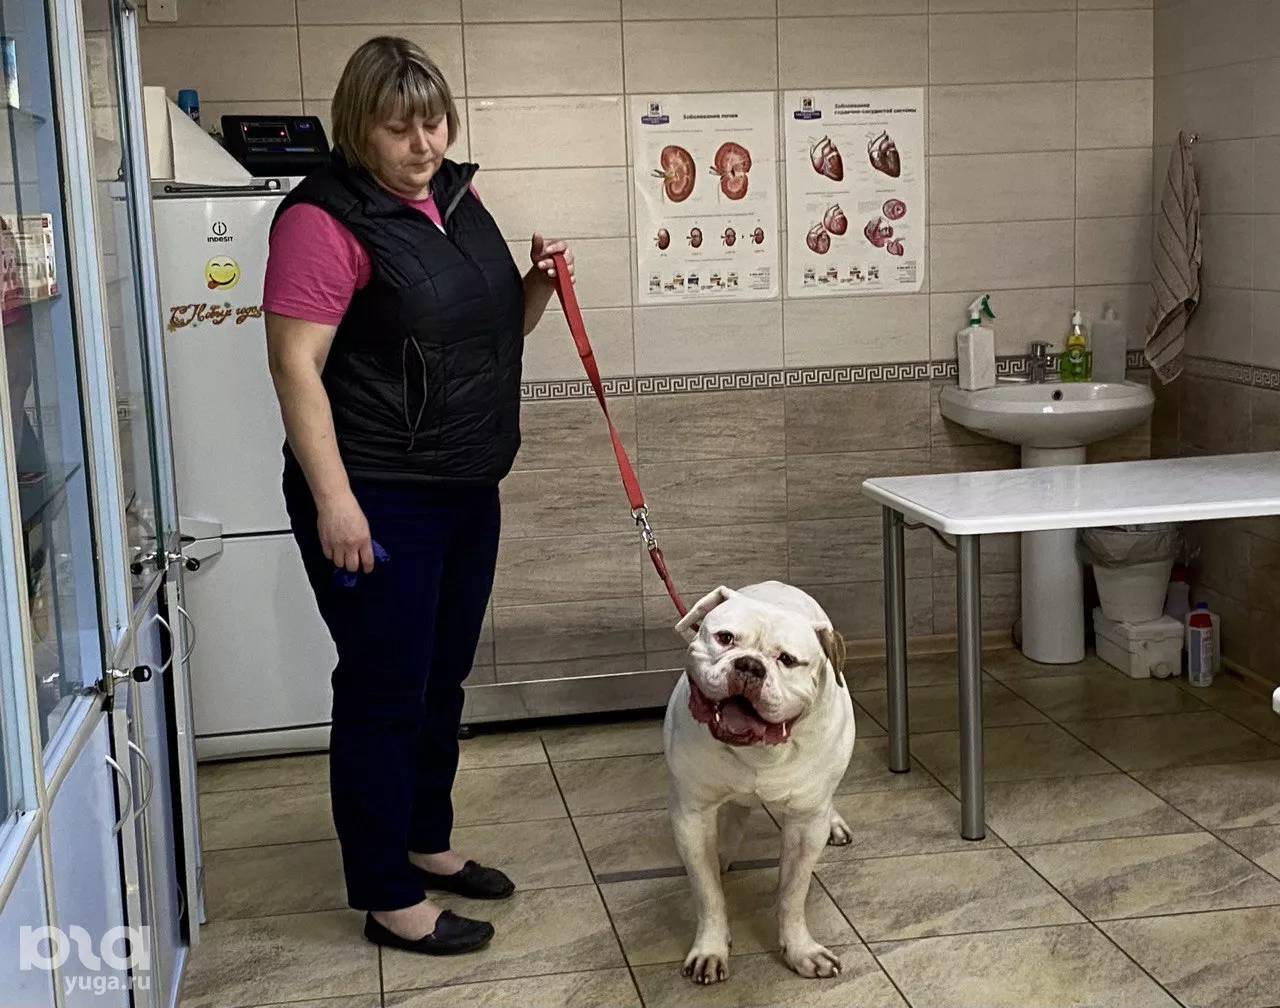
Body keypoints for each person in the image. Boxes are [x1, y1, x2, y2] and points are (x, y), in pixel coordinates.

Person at [262, 35, 573, 956]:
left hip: (466, 486)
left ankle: (423, 841)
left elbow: (490, 333)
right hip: (379, 493)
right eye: (400, 129)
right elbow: (295, 366)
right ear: (358, 127)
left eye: (434, 123)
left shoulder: (458, 200)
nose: (424, 144)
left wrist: (536, 287)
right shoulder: (321, 220)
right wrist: (335, 501)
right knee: (384, 689)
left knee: (441, 679)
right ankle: (386, 894)